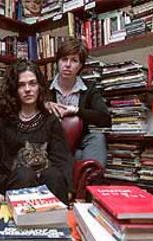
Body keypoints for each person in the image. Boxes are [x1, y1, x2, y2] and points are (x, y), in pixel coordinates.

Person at [0, 59, 74, 207]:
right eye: (21, 85)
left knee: (53, 174)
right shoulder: (2, 119)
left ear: (39, 87)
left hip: (47, 186)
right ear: (14, 89)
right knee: (24, 173)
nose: (27, 89)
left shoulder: (50, 120)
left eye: (32, 83)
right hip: (14, 182)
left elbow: (62, 159)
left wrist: (68, 190)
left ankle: (56, 225)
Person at [47, 37, 111, 167]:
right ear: (57, 62)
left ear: (80, 66)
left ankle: (89, 180)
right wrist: (44, 105)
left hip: (79, 142)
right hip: (51, 142)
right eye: (64, 59)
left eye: (74, 60)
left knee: (97, 138)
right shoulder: (44, 88)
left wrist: (77, 111)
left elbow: (105, 119)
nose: (68, 65)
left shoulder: (89, 88)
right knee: (78, 158)